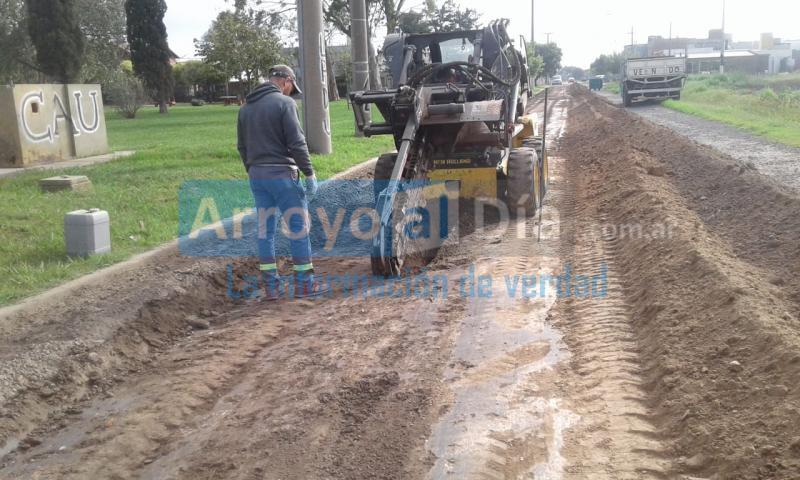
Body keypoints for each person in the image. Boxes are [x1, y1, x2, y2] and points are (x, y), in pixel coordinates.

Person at [237, 65, 329, 300]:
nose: (290, 92)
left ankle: (272, 288)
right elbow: (297, 143)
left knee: (265, 232)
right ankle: (305, 285)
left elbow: (242, 147)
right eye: (291, 88)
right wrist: (309, 173)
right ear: (286, 81)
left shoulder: (245, 108)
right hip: (283, 175)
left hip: (257, 175)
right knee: (298, 229)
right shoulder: (285, 103)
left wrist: (253, 170)